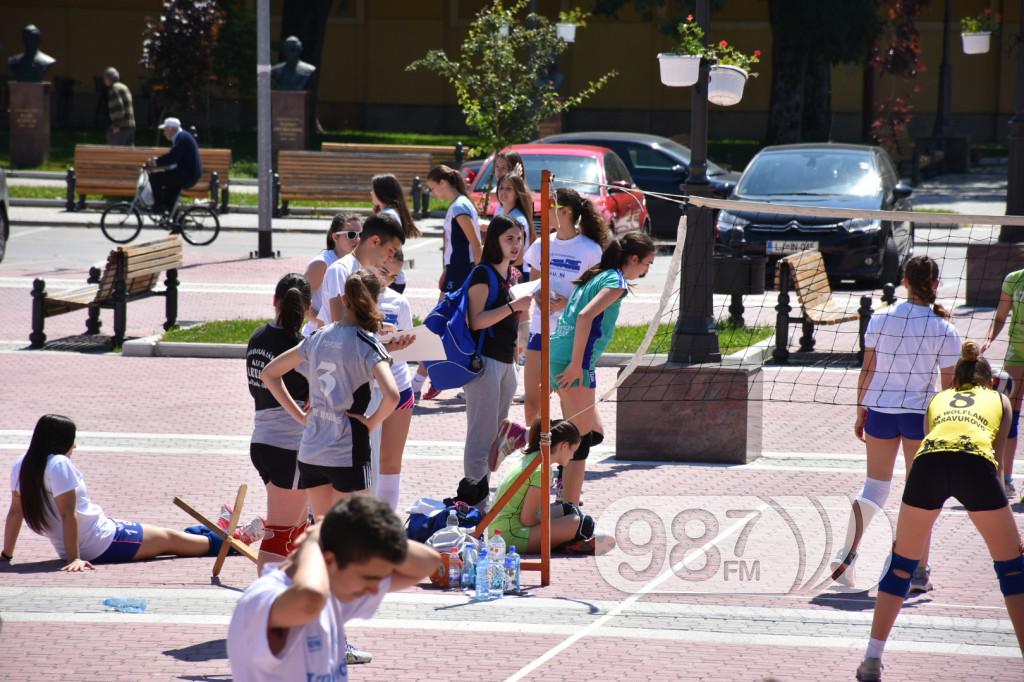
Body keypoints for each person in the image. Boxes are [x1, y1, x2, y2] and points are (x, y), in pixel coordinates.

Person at [854, 341, 1024, 682]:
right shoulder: (999, 399)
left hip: (928, 464)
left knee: (902, 564)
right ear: (990, 382)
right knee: (1012, 569)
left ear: (954, 382)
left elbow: (935, 437)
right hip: (975, 463)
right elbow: (997, 456)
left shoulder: (938, 399)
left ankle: (872, 658)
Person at [837, 256, 961, 593]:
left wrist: (861, 409)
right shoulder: (945, 329)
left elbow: (867, 370)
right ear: (935, 284)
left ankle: (844, 557)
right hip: (920, 415)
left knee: (874, 487)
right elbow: (949, 387)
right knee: (920, 493)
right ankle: (917, 570)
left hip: (880, 409)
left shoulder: (880, 318)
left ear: (904, 281)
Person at [227, 495, 441, 680]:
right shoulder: (264, 597)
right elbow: (310, 600)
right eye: (368, 577)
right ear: (328, 561)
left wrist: (378, 538)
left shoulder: (337, 587)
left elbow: (428, 564)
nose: (375, 590)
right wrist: (313, 543)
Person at [2, 414, 227, 570]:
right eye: (73, 441)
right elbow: (67, 514)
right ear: (61, 442)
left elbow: (15, 513)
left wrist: (6, 554)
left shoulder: (22, 465)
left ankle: (220, 531)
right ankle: (232, 541)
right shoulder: (59, 464)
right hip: (100, 542)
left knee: (169, 535)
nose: (75, 446)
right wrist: (75, 558)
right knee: (171, 540)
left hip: (98, 533)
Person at [261, 270, 400, 520]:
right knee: (355, 534)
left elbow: (270, 373)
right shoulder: (367, 343)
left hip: (312, 448)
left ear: (344, 298)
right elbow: (392, 395)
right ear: (374, 302)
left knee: (323, 533)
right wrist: (371, 422)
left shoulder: (318, 336)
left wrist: (301, 417)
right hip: (347, 450)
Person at [549, 233, 656, 506]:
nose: (647, 270)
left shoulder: (598, 274)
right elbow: (586, 316)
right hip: (575, 360)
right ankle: (569, 505)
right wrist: (575, 365)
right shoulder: (615, 282)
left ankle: (561, 483)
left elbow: (577, 312)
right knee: (580, 441)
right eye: (647, 263)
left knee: (591, 433)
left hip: (561, 352)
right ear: (633, 259)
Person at [455, 215, 531, 507]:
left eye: (519, 239)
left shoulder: (510, 276)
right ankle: (474, 502)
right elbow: (476, 321)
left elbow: (514, 318)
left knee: (495, 434)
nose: (515, 245)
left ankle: (481, 494)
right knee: (480, 435)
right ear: (495, 241)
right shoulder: (482, 274)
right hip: (483, 363)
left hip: (506, 363)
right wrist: (513, 306)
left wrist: (521, 334)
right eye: (509, 239)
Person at [522, 188, 607, 426]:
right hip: (541, 328)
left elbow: (597, 297)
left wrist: (567, 303)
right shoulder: (541, 245)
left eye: (549, 207)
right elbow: (534, 282)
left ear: (566, 212)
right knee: (532, 402)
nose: (544, 211)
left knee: (567, 400)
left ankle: (567, 456)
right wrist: (538, 294)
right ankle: (536, 458)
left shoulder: (590, 250)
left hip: (569, 334)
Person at [246, 273, 313, 573]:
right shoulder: (301, 347)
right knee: (282, 535)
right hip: (289, 445)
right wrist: (303, 412)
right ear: (308, 308)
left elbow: (257, 386)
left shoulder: (257, 338)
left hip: (262, 440)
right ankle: (267, 603)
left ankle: (286, 600)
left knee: (296, 530)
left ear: (275, 301)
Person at [415, 165, 483, 401]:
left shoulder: (461, 206)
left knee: (436, 327)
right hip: (455, 272)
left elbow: (475, 244)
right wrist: (446, 270)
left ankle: (421, 383)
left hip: (463, 274)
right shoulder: (459, 205)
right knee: (440, 327)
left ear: (444, 183)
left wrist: (480, 274)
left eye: (434, 188)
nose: (434, 194)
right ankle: (433, 379)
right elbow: (454, 245)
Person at [490, 419, 599, 553]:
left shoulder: (534, 456)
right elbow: (528, 520)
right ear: (564, 446)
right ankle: (566, 542)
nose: (573, 456)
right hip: (509, 536)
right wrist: (556, 526)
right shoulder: (542, 470)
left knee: (568, 510)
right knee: (583, 524)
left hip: (500, 529)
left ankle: (567, 539)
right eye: (573, 450)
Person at [374, 252, 416, 512]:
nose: (387, 280)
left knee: (390, 462)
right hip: (366, 388)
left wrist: (399, 343)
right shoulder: (352, 296)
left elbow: (409, 345)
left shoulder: (398, 302)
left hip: (397, 385)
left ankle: (385, 524)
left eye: (393, 276)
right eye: (383, 272)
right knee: (365, 459)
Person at [316, 213, 406, 327]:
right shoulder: (340, 270)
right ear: (375, 241)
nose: (391, 256)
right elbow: (340, 329)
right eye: (391, 250)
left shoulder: (369, 273)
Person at [981, 267, 1024, 498]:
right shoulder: (1014, 279)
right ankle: (1005, 479)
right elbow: (1000, 316)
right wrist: (987, 340)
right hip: (1016, 354)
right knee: (1009, 416)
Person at [302, 214, 361, 336]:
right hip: (317, 338)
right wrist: (323, 321)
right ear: (335, 237)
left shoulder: (358, 263)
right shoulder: (321, 263)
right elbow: (300, 303)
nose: (358, 239)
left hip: (346, 332)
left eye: (361, 234)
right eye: (351, 234)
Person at [371, 173, 420, 294]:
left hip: (387, 277)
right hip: (390, 275)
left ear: (381, 192)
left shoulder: (388, 215)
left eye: (374, 190)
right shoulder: (391, 213)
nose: (371, 193)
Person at [146, 117, 201, 215]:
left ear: (171, 129)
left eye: (165, 130)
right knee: (169, 193)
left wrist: (156, 162)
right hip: (187, 173)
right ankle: (176, 220)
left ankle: (158, 207)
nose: (164, 133)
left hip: (187, 175)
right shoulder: (181, 137)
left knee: (155, 178)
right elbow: (174, 159)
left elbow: (172, 157)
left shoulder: (182, 138)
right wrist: (157, 164)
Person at [103, 67, 134, 146]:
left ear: (109, 78)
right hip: (130, 126)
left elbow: (118, 108)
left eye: (105, 77)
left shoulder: (114, 89)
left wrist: (116, 125)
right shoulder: (124, 87)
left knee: (115, 154)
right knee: (128, 155)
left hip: (121, 128)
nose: (104, 80)